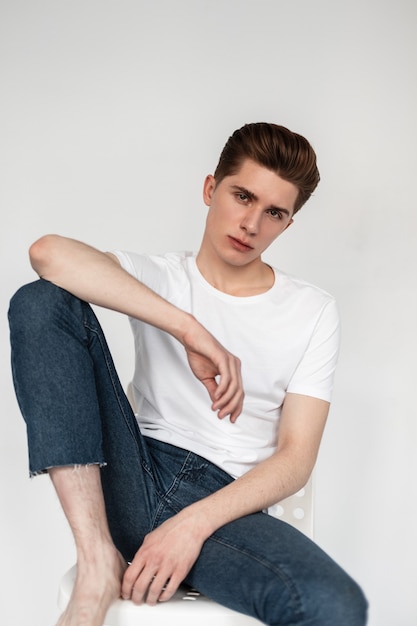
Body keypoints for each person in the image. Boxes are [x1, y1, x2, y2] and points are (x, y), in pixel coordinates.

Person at [8, 122, 367, 626]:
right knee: (42, 300)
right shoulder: (161, 277)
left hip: (226, 506)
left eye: (274, 212)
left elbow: (296, 459)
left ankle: (166, 534)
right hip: (131, 468)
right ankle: (97, 561)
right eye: (242, 196)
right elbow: (47, 254)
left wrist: (192, 524)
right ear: (209, 189)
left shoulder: (311, 311)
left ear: (287, 224)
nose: (251, 223)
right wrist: (188, 330)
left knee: (334, 604)